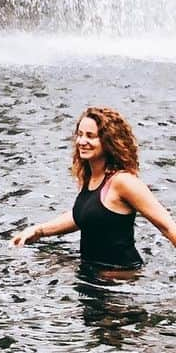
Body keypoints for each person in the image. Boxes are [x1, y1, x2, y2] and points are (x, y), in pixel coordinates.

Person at [11, 106, 176, 270]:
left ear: (108, 141)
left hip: (120, 283)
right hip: (92, 273)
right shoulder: (91, 177)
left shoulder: (123, 182)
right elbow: (85, 215)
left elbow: (167, 226)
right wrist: (38, 230)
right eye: (80, 135)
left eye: (90, 136)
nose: (82, 142)